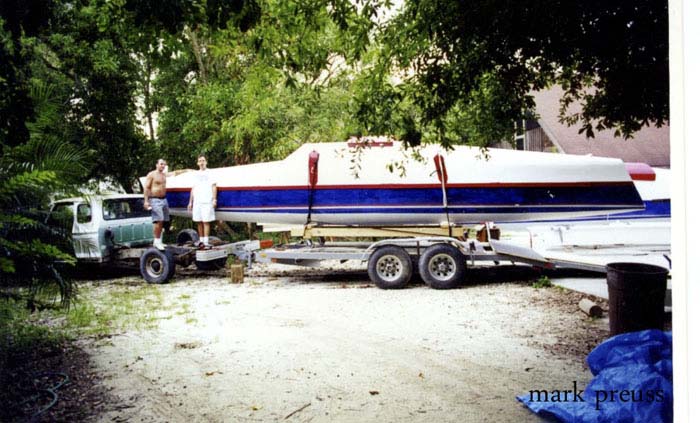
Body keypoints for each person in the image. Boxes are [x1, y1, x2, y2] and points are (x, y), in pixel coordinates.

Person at [188, 154, 217, 248]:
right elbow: (193, 188)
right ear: (197, 163)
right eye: (200, 161)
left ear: (206, 162)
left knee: (206, 221)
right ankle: (201, 241)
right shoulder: (195, 174)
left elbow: (214, 186)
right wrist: (190, 202)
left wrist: (214, 199)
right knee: (199, 221)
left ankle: (206, 241)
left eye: (203, 160)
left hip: (207, 201)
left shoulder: (210, 172)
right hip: (197, 201)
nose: (201, 162)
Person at [144, 158, 170, 250]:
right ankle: (156, 241)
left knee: (163, 220)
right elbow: (146, 188)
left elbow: (174, 174)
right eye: (161, 164)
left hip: (164, 199)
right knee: (158, 220)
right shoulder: (152, 174)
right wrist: (146, 201)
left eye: (164, 165)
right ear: (157, 165)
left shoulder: (164, 175)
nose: (162, 166)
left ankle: (160, 241)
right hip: (155, 200)